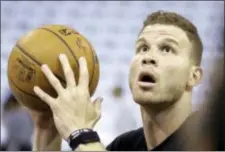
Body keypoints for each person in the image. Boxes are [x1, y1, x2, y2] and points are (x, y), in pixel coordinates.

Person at [29, 10, 210, 151]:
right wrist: (47, 131)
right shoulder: (125, 145)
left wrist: (81, 133)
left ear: (194, 76)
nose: (148, 57)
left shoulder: (211, 137)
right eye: (143, 48)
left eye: (167, 49)